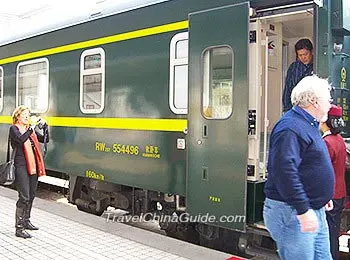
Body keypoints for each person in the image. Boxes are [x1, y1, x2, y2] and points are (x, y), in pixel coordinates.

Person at [263, 75, 334, 260]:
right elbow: (284, 172)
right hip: (292, 212)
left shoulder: (308, 125)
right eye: (328, 99)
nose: (330, 105)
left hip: (313, 208)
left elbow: (308, 164)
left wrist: (322, 195)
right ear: (313, 101)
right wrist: (303, 209)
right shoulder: (290, 128)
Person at [10, 105, 49, 238]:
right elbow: (21, 140)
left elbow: (45, 140)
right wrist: (31, 128)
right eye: (24, 114)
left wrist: (45, 128)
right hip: (21, 166)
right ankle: (19, 228)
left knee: (31, 195)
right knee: (24, 196)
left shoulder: (29, 130)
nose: (27, 116)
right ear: (18, 116)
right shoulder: (14, 129)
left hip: (33, 166)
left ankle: (26, 221)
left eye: (28, 114)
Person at [320, 104, 347, 260]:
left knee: (327, 234)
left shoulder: (327, 142)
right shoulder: (339, 140)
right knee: (333, 232)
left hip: (330, 194)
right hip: (340, 192)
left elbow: (323, 171)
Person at [282, 38, 314, 112]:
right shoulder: (294, 67)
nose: (303, 57)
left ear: (311, 52)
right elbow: (288, 89)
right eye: (300, 55)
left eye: (305, 54)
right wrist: (287, 110)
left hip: (313, 108)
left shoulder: (317, 65)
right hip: (296, 107)